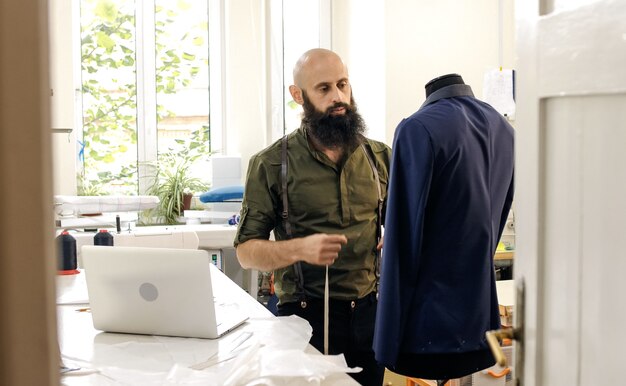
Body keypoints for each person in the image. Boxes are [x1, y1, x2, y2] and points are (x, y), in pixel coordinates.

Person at [234, 48, 391, 386]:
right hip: (304, 322)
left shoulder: (380, 157)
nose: (338, 97)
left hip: (370, 317)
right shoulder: (271, 164)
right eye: (324, 89)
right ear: (298, 95)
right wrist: (299, 249)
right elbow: (246, 252)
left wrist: (395, 236)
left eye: (343, 85)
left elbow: (405, 225)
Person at [373, 74, 515, 382]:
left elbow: (402, 240)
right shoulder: (504, 129)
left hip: (427, 328)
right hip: (478, 321)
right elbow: (498, 217)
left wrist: (386, 341)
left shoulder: (416, 128)